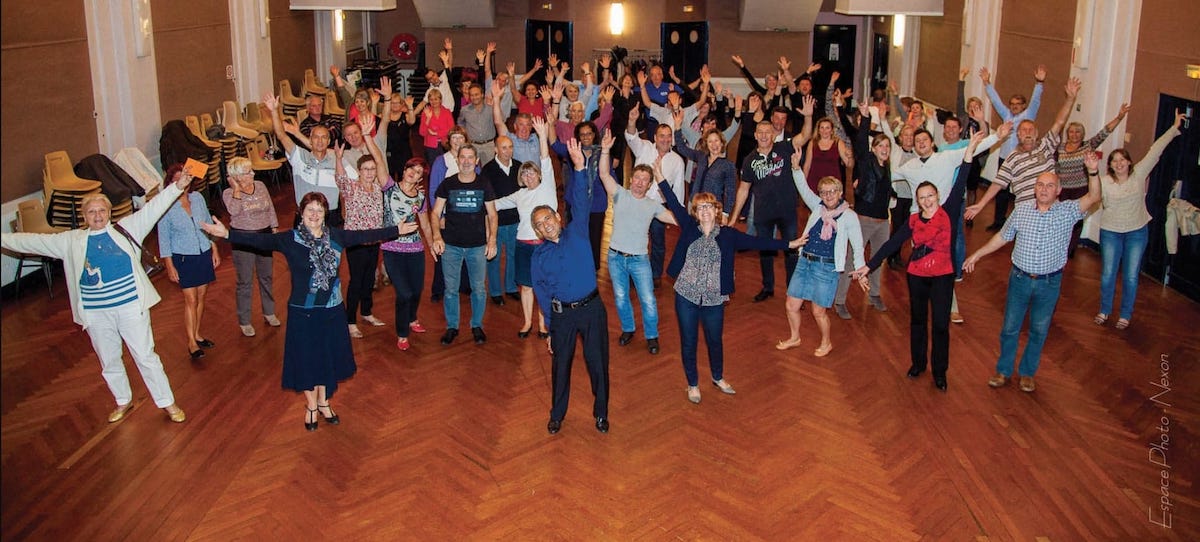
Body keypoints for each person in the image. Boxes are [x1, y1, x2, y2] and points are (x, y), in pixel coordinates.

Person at [200, 192, 419, 430]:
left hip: (332, 310)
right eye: (309, 210)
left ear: (325, 214)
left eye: (319, 210)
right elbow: (259, 241)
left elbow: (364, 235)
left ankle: (324, 402)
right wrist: (227, 234)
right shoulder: (290, 239)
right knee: (307, 360)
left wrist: (396, 229)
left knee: (327, 358)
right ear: (301, 214)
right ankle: (311, 406)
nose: (314, 215)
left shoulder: (335, 236)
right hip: (303, 311)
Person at [1, 171, 192, 424]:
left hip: (130, 307)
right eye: (92, 212)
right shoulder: (71, 241)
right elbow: (33, 241)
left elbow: (155, 207)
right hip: (96, 312)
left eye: (102, 210)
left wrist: (177, 187)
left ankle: (167, 402)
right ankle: (123, 400)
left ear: (109, 212)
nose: (98, 216)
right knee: (109, 359)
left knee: (145, 356)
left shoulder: (127, 228)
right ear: (84, 216)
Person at [660, 160, 805, 404]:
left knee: (715, 340)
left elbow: (759, 243)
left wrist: (788, 244)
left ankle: (718, 377)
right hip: (685, 295)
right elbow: (674, 203)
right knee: (688, 341)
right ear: (696, 211)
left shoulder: (728, 235)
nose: (705, 211)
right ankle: (692, 384)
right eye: (701, 207)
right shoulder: (688, 228)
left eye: (709, 207)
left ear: (717, 211)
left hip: (715, 298)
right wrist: (660, 177)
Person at [851, 132, 985, 391]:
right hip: (917, 276)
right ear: (917, 200)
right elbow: (891, 244)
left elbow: (962, 181)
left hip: (943, 276)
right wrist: (869, 265)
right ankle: (918, 363)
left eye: (930, 196)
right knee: (918, 321)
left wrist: (969, 152)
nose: (926, 200)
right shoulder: (913, 221)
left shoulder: (949, 211)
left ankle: (940, 372)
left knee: (941, 325)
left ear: (936, 196)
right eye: (921, 197)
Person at [963, 155, 1105, 393]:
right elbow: (1002, 237)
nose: (1044, 189)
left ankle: (1027, 373)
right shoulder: (1021, 211)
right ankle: (1004, 370)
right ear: (1034, 188)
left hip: (1049, 283)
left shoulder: (1068, 211)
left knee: (1039, 330)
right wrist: (977, 254)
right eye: (1040, 185)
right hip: (1019, 279)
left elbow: (1094, 197)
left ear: (1058, 190)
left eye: (1050, 185)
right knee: (1010, 327)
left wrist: (1092, 171)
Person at [532, 139, 610, 435]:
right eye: (539, 224)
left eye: (548, 218)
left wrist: (579, 168)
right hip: (562, 316)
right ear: (538, 231)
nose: (546, 224)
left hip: (592, 309)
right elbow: (542, 293)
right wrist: (551, 328)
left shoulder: (576, 230)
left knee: (597, 363)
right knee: (560, 367)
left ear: (556, 217)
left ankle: (601, 413)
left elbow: (580, 200)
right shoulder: (539, 256)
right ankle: (557, 414)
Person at [1094, 111, 1184, 330]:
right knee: (1107, 274)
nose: (1119, 163)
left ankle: (1125, 315)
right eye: (1114, 161)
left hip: (1137, 231)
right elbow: (1091, 196)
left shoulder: (1139, 174)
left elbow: (1156, 150)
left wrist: (1173, 128)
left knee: (1131, 276)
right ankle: (1104, 310)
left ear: (1129, 162)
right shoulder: (1103, 182)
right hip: (1110, 232)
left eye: (1122, 160)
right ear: (1110, 165)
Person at [727, 96, 816, 302]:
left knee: (792, 250)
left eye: (769, 132)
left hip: (787, 212)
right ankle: (767, 287)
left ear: (773, 135)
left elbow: (804, 136)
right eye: (762, 132)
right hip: (763, 214)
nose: (765, 135)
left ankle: (793, 291)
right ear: (756, 135)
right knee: (766, 251)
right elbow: (743, 190)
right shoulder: (749, 160)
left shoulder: (784, 148)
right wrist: (733, 219)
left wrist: (809, 117)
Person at [775, 155, 866, 358]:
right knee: (791, 305)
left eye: (832, 191)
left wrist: (861, 270)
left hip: (826, 268)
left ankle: (826, 342)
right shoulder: (818, 208)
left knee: (818, 311)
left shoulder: (849, 216)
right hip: (805, 261)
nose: (828, 195)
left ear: (840, 193)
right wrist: (796, 167)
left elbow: (858, 246)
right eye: (824, 192)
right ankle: (795, 337)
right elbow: (803, 189)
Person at [598, 130, 677, 354]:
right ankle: (628, 329)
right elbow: (604, 174)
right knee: (621, 297)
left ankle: (652, 336)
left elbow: (675, 218)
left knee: (648, 300)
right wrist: (605, 149)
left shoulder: (653, 205)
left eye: (645, 180)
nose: (640, 183)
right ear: (631, 179)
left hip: (640, 260)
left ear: (650, 184)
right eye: (638, 178)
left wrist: (702, 218)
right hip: (615, 257)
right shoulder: (619, 194)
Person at [429, 144, 499, 346]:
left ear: (477, 161)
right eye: (463, 157)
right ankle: (452, 326)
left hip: (477, 246)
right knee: (450, 289)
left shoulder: (484, 184)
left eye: (471, 157)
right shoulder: (447, 184)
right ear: (457, 160)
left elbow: (493, 215)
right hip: (451, 245)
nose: (467, 161)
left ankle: (477, 325)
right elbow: (435, 213)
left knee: (478, 289)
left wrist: (492, 239)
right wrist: (436, 237)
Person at [492, 118, 556, 339]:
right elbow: (496, 203)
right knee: (527, 287)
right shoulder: (520, 195)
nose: (529, 176)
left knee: (544, 287)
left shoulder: (547, 187)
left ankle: (543, 324)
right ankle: (528, 322)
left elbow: (546, 160)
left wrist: (541, 135)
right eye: (525, 173)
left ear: (539, 174)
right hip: (523, 246)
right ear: (522, 177)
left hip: (544, 246)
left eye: (532, 172)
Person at [834, 102, 896, 318]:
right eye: (881, 146)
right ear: (874, 148)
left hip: (882, 222)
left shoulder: (887, 167)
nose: (885, 149)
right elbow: (860, 141)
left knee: (878, 260)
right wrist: (866, 117)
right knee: (851, 259)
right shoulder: (866, 160)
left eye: (887, 147)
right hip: (863, 220)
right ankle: (840, 300)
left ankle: (875, 294)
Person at [333, 117, 390, 339]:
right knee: (356, 280)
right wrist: (338, 159)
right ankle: (350, 320)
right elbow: (340, 178)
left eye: (372, 169)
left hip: (373, 241)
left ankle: (367, 312)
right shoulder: (352, 187)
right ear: (359, 170)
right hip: (356, 242)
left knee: (369, 279)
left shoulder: (378, 188)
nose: (369, 172)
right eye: (365, 169)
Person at [157, 164, 220, 359]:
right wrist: (169, 264)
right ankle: (191, 342)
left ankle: (197, 334)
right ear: (170, 183)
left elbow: (208, 223)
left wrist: (214, 247)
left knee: (201, 297)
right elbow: (163, 237)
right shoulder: (165, 204)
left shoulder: (198, 198)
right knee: (190, 299)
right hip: (183, 257)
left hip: (202, 251)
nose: (182, 183)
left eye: (185, 178)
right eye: (177, 180)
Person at [1057, 104, 1130, 256]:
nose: (1074, 134)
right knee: (1061, 220)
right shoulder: (1060, 148)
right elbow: (1056, 168)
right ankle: (1058, 246)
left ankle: (1070, 250)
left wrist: (1119, 117)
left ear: (1082, 134)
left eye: (1078, 132)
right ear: (1067, 134)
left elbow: (1105, 132)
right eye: (1071, 132)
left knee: (1076, 221)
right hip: (1063, 190)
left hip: (1082, 190)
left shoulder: (1088, 146)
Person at [979, 65, 1046, 231]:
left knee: (1021, 192)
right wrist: (987, 83)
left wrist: (1039, 82)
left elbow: (1036, 101)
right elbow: (996, 101)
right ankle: (999, 221)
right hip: (1005, 158)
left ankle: (1020, 224)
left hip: (1021, 159)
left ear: (1023, 106)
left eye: (1018, 104)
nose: (1014, 106)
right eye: (1012, 104)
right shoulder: (1006, 115)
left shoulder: (1028, 115)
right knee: (1001, 190)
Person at [265, 94, 344, 228]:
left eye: (324, 137)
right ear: (310, 140)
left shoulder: (339, 159)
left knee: (333, 249)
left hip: (330, 217)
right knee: (302, 249)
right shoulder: (299, 157)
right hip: (304, 216)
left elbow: (348, 185)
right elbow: (281, 135)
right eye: (316, 137)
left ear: (329, 141)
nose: (320, 141)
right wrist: (274, 111)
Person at [222, 157, 280, 337]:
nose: (253, 173)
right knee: (245, 281)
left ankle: (269, 312)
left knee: (266, 276)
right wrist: (237, 190)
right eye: (248, 172)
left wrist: (274, 226)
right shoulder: (228, 193)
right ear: (237, 176)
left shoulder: (260, 185)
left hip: (264, 236)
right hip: (243, 239)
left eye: (251, 170)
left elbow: (269, 207)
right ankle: (245, 321)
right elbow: (233, 211)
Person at [382, 158, 435, 351]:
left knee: (416, 289)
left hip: (415, 249)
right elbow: (379, 160)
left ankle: (412, 318)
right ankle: (402, 333)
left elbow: (426, 225)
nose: (414, 173)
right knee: (403, 293)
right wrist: (367, 137)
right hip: (391, 248)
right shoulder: (389, 188)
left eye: (419, 172)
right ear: (404, 170)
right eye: (411, 169)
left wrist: (431, 246)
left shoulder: (420, 198)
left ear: (421, 177)